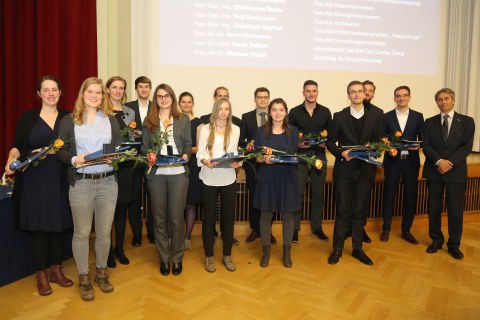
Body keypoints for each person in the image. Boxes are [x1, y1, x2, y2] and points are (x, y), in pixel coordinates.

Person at [4, 75, 73, 296]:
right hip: (34, 182)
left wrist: (52, 151)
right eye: (46, 90)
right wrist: (10, 160)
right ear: (39, 94)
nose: (51, 93)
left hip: (60, 180)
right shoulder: (27, 118)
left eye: (55, 89)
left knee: (58, 226)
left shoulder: (68, 118)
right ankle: (41, 274)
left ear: (60, 93)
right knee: (40, 229)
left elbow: (74, 147)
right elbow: (17, 146)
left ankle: (56, 270)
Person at [57, 77, 119, 301]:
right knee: (82, 233)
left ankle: (101, 274)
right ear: (82, 94)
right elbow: (60, 150)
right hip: (81, 182)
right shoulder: (69, 120)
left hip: (108, 182)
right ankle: (84, 278)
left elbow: (116, 148)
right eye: (90, 92)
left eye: (99, 92)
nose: (95, 96)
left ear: (103, 96)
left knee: (103, 233)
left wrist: (114, 158)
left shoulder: (111, 121)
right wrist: (74, 159)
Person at [326, 80, 383, 266]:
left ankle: (357, 248)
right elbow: (330, 142)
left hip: (366, 170)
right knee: (342, 210)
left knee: (359, 211)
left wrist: (372, 148)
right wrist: (341, 153)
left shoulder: (376, 116)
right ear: (348, 95)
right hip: (344, 170)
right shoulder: (339, 116)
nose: (357, 94)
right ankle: (337, 249)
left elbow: (378, 143)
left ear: (365, 94)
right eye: (353, 92)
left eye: (360, 91)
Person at [142, 83, 191, 276]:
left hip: (178, 174)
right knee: (160, 219)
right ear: (156, 99)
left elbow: (188, 145)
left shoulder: (183, 119)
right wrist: (150, 157)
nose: (164, 99)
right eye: (160, 96)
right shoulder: (149, 121)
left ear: (172, 98)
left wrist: (186, 155)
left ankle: (177, 258)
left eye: (167, 96)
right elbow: (144, 148)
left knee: (177, 218)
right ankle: (164, 258)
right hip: (157, 176)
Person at [422, 88, 475, 259]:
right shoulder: (428, 122)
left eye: (446, 99)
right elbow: (426, 145)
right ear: (436, 102)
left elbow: (466, 147)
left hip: (456, 172)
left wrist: (448, 163)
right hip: (434, 171)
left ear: (453, 100)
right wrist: (439, 162)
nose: (443, 102)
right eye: (439, 99)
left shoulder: (467, 121)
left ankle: (454, 245)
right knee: (434, 208)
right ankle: (436, 240)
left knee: (455, 210)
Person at [253, 98, 300, 268]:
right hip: (267, 177)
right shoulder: (260, 132)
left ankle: (286, 253)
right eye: (274, 110)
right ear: (270, 112)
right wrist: (263, 158)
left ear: (286, 112)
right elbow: (256, 157)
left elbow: (294, 154)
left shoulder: (293, 131)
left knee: (288, 215)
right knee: (266, 215)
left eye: (281, 110)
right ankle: (266, 252)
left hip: (287, 178)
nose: (278, 113)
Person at [197, 98, 240, 272]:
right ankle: (209, 257)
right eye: (220, 109)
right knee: (208, 219)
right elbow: (200, 152)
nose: (223, 112)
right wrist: (205, 161)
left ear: (230, 111)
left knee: (228, 218)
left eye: (226, 109)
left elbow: (234, 152)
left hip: (228, 177)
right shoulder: (205, 129)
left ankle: (227, 255)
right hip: (209, 177)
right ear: (215, 110)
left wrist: (237, 162)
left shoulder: (235, 129)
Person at [288, 80, 332, 243]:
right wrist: (296, 143)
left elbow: (331, 135)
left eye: (314, 91)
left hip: (319, 156)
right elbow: (288, 134)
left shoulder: (326, 112)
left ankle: (317, 227)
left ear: (317, 92)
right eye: (308, 91)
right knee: (297, 194)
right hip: (300, 158)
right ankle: (295, 229)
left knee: (318, 195)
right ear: (303, 93)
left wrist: (325, 143)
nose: (311, 94)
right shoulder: (294, 112)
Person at [380, 86, 424, 244]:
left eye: (405, 95)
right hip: (392, 162)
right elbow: (382, 139)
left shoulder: (418, 117)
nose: (401, 98)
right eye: (398, 96)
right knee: (389, 195)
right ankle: (386, 229)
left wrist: (419, 146)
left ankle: (406, 230)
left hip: (411, 163)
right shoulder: (386, 117)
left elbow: (423, 139)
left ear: (409, 97)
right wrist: (388, 146)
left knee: (410, 197)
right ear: (394, 98)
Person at [105, 76, 137, 267]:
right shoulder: (101, 111)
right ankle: (107, 250)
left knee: (121, 210)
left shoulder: (129, 112)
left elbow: (133, 136)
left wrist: (132, 149)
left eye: (121, 88)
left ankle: (120, 249)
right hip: (107, 166)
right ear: (107, 89)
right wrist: (110, 155)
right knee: (106, 211)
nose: (117, 91)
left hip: (125, 167)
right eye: (114, 87)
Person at [239, 87, 277, 244]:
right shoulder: (246, 117)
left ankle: (268, 229)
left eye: (265, 97)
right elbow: (240, 141)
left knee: (271, 197)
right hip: (253, 164)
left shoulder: (275, 116)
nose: (262, 100)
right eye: (259, 97)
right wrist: (249, 144)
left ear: (268, 99)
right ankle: (255, 229)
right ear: (254, 99)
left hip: (271, 164)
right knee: (254, 195)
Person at [125, 76, 154, 245]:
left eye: (147, 86)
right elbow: (126, 135)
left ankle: (151, 232)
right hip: (134, 159)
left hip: (152, 158)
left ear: (150, 89)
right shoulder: (128, 108)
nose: (144, 89)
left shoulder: (156, 108)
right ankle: (136, 233)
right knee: (135, 198)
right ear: (136, 89)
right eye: (141, 87)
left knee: (153, 197)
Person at [178, 91, 202, 250]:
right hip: (177, 165)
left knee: (191, 204)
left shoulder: (199, 123)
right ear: (179, 104)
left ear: (193, 104)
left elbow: (199, 148)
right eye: (183, 102)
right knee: (177, 203)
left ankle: (187, 237)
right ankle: (177, 235)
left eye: (189, 102)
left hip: (193, 165)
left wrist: (184, 150)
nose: (186, 105)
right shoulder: (174, 121)